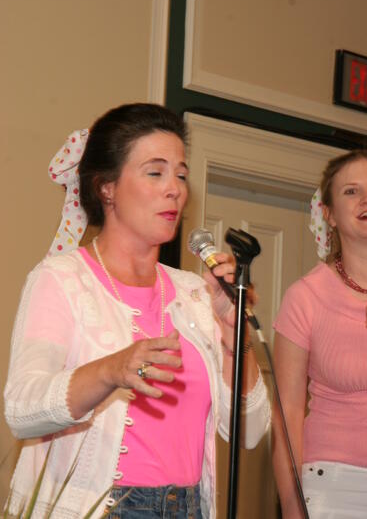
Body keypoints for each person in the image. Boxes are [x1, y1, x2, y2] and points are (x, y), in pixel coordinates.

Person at [4, 103, 270, 519]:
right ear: (106, 187)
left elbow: (250, 432)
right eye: (155, 172)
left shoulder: (194, 293)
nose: (175, 189)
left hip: (189, 506)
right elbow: (22, 408)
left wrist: (233, 334)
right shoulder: (61, 279)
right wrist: (111, 370)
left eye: (181, 175)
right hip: (102, 508)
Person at [272, 148, 367, 519]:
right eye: (351, 191)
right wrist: (294, 508)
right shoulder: (306, 297)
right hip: (334, 489)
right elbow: (287, 414)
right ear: (327, 213)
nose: (365, 200)